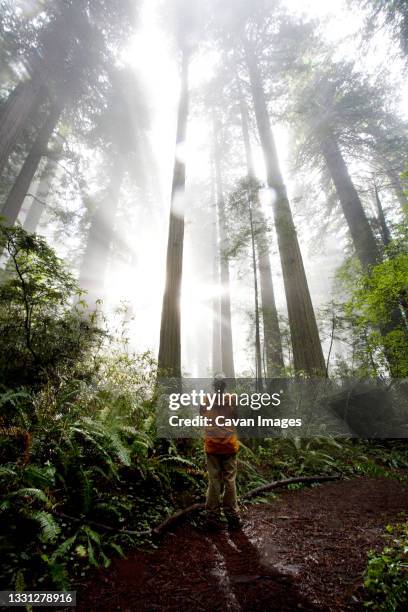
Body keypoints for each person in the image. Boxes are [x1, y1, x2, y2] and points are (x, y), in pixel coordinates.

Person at [200, 373, 240, 531]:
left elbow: (202, 416)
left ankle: (211, 517)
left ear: (213, 385)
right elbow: (236, 418)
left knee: (213, 480)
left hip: (212, 445)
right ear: (224, 386)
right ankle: (232, 517)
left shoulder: (206, 399)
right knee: (230, 480)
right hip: (229, 445)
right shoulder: (231, 399)